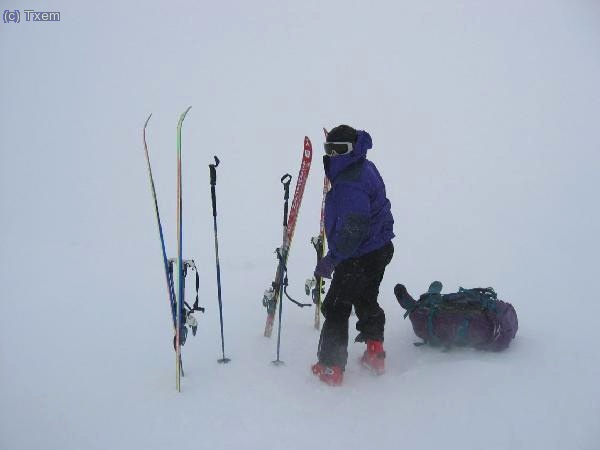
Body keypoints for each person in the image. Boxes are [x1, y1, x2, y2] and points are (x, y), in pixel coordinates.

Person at [311, 124, 395, 386]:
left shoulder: (350, 183)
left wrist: (333, 259)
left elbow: (354, 229)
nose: (333, 155)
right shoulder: (364, 166)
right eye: (329, 149)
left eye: (339, 150)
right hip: (379, 249)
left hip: (359, 255)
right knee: (365, 298)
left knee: (336, 306)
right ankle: (374, 351)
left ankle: (331, 366)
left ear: (350, 150)